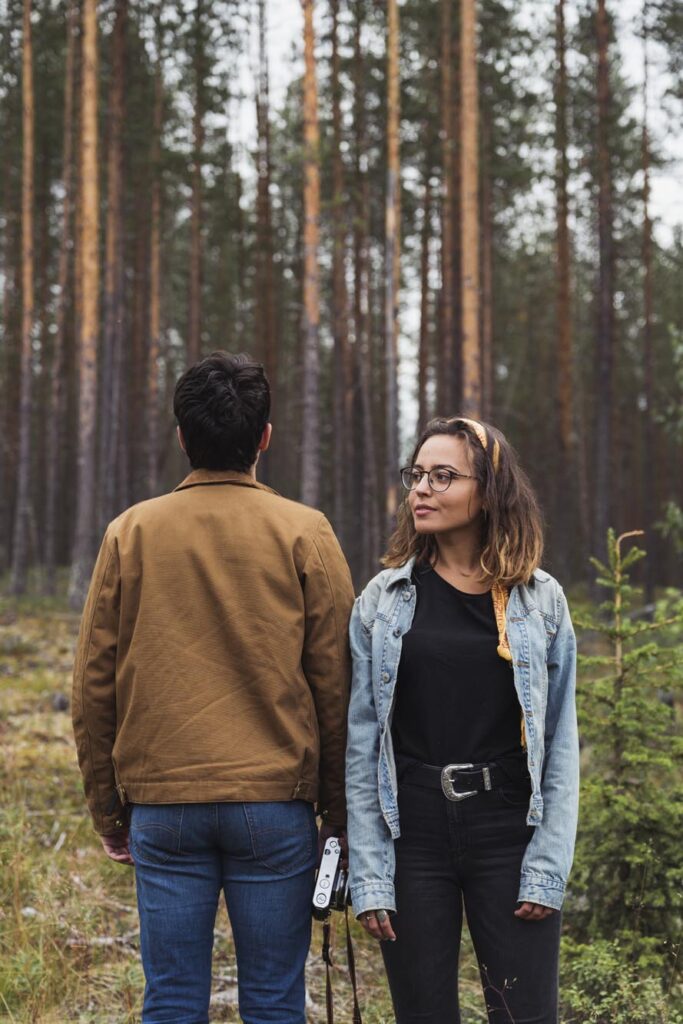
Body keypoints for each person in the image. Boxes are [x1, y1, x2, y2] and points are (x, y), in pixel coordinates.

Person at [72, 352, 354, 1024]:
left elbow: (92, 685)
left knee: (169, 999)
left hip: (162, 808)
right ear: (264, 437)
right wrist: (338, 816)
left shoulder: (130, 533)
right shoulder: (304, 532)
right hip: (275, 807)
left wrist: (109, 810)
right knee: (275, 999)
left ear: (180, 436)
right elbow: (339, 683)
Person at [346, 416, 579, 1024]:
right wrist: (371, 871)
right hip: (413, 831)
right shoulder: (382, 601)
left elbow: (559, 743)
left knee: (522, 1013)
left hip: (508, 830)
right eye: (417, 474)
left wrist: (547, 867)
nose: (422, 488)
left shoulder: (540, 601)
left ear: (490, 490)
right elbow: (365, 744)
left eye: (443, 476)